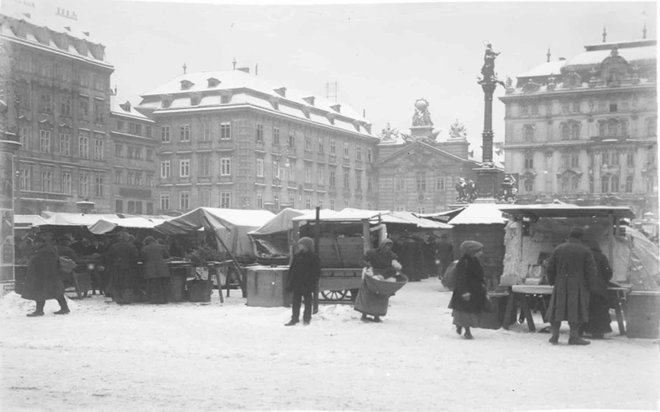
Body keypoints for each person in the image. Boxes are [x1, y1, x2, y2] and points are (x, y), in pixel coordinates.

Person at [545, 227, 597, 345]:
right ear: (580, 237)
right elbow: (591, 271)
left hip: (561, 283)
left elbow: (549, 268)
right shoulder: (585, 250)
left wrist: (553, 281)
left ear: (569, 236)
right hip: (578, 285)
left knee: (556, 309)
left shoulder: (558, 249)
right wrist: (590, 285)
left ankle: (555, 335)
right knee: (576, 310)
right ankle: (574, 336)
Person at [21, 232, 70, 316]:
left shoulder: (44, 252)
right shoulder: (48, 249)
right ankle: (64, 308)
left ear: (39, 243)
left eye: (34, 243)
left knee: (40, 292)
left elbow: (38, 262)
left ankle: (40, 311)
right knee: (56, 292)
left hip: (45, 275)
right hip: (51, 275)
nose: (34, 245)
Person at [449, 241, 488, 339]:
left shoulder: (474, 260)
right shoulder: (464, 262)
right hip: (465, 290)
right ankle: (467, 331)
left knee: (468, 311)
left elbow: (479, 274)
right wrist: (464, 291)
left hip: (474, 290)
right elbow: (460, 278)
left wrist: (483, 284)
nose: (481, 253)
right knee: (466, 311)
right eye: (479, 251)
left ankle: (460, 325)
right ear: (472, 251)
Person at [355, 238, 399, 323]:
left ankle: (377, 316)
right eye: (386, 246)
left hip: (384, 277)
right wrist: (367, 265)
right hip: (371, 276)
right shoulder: (372, 253)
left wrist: (391, 270)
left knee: (381, 297)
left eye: (389, 246)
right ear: (382, 245)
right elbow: (361, 260)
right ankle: (364, 315)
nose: (387, 248)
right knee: (368, 296)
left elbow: (394, 267)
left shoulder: (392, 256)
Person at [285, 237, 321, 326]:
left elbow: (316, 272)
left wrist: (312, 282)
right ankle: (294, 319)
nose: (299, 245)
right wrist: (290, 282)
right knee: (295, 302)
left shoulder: (314, 257)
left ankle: (307, 319)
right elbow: (292, 270)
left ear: (307, 246)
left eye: (301, 244)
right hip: (297, 283)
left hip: (307, 284)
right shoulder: (297, 256)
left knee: (308, 302)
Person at [581, 240, 613, 339]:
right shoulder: (602, 257)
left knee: (587, 309)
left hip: (586, 287)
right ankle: (599, 332)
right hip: (599, 288)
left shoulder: (584, 256)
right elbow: (608, 273)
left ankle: (585, 330)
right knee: (600, 310)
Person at [105, 231, 139, 304]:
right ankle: (126, 299)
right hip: (128, 267)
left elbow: (108, 257)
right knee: (127, 283)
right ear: (127, 238)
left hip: (116, 267)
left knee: (118, 283)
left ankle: (119, 299)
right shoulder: (131, 246)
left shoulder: (114, 246)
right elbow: (135, 258)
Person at [141, 236, 171, 304]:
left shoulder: (145, 248)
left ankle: (154, 299)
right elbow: (167, 256)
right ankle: (164, 299)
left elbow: (142, 258)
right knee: (163, 284)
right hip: (162, 268)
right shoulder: (162, 246)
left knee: (152, 285)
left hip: (150, 269)